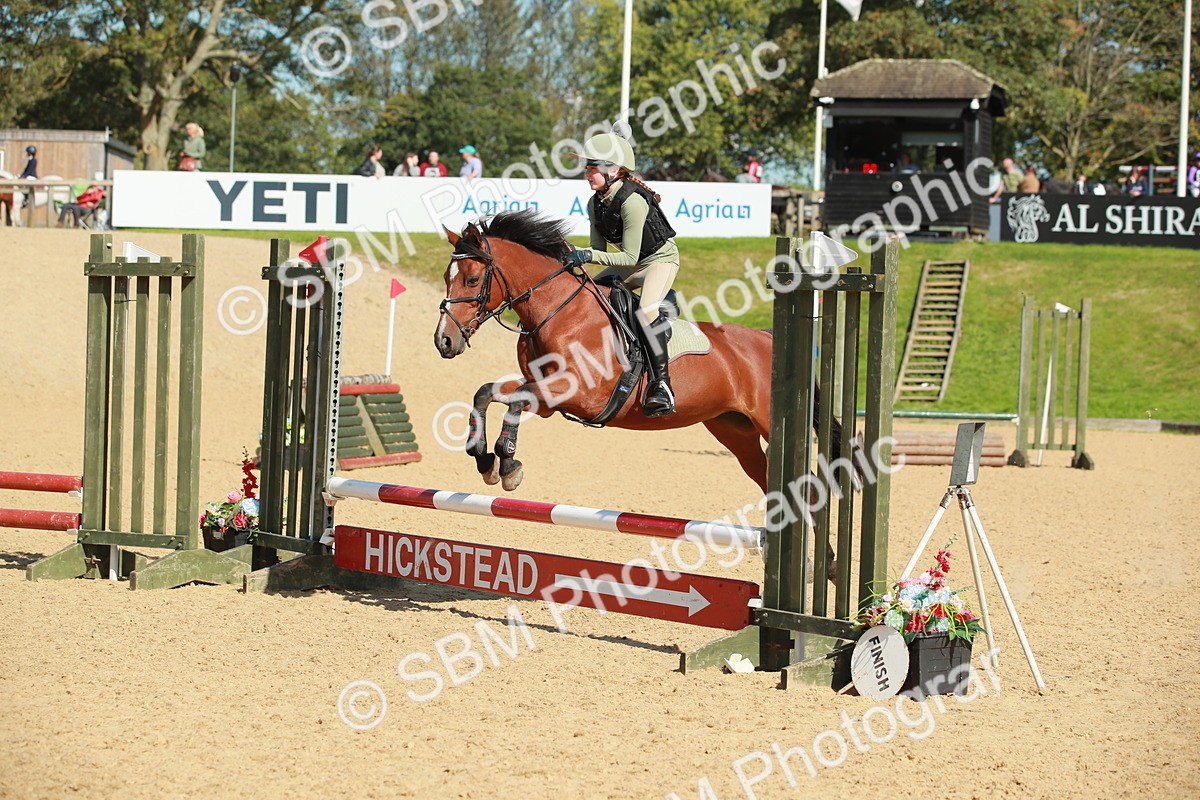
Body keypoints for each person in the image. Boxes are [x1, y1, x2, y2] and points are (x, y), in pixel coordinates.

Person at [562, 130, 680, 418]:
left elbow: (628, 257)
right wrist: (572, 253)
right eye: (587, 167)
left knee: (647, 312)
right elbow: (597, 250)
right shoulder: (595, 203)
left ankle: (662, 385)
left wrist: (587, 255)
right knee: (589, 294)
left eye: (592, 167)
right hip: (632, 263)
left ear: (613, 170)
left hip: (660, 261)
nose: (587, 173)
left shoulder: (632, 201)